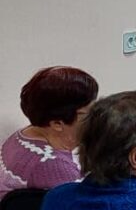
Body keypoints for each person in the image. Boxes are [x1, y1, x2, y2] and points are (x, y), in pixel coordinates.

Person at [0, 66, 98, 198]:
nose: (96, 117)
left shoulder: (25, 134)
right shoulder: (53, 165)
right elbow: (82, 206)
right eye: (89, 113)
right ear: (57, 124)